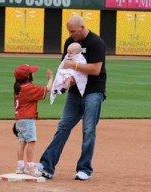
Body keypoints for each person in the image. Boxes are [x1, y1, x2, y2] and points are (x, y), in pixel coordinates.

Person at [38, 15, 106, 180]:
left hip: (93, 91)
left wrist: (74, 65)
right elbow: (64, 66)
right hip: (75, 92)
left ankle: (84, 169)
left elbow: (96, 70)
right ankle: (47, 166)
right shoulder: (69, 42)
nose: (71, 34)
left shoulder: (96, 42)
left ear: (82, 27)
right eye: (69, 31)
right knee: (63, 127)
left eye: (73, 31)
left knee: (88, 130)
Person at [13, 64, 53, 176]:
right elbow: (47, 89)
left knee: (22, 141)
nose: (32, 74)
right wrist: (50, 79)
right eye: (31, 73)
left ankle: (20, 166)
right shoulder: (28, 88)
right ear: (28, 77)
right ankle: (31, 166)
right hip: (27, 120)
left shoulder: (18, 87)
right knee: (31, 141)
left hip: (19, 119)